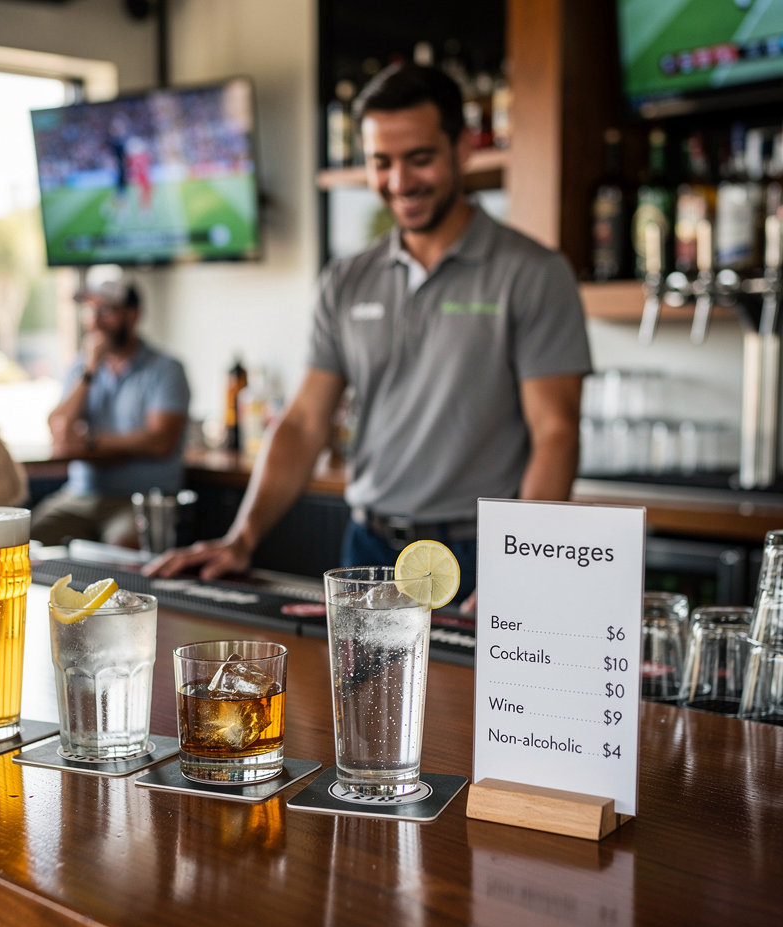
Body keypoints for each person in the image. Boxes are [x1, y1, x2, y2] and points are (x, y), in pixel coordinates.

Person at [149, 63, 592, 608]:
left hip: (478, 557)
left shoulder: (533, 273)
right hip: (367, 550)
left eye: (420, 159)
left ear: (464, 149)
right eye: (382, 162)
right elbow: (306, 422)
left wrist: (519, 563)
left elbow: (556, 431)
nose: (400, 182)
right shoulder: (346, 278)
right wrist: (242, 537)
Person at [30, 275, 191, 547]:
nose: (95, 321)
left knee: (121, 548)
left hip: (136, 500)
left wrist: (92, 443)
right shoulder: (83, 369)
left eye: (106, 310)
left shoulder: (165, 370)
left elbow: (161, 441)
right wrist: (90, 372)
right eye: (90, 311)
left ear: (133, 314)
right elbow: (60, 431)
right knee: (23, 544)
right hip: (79, 496)